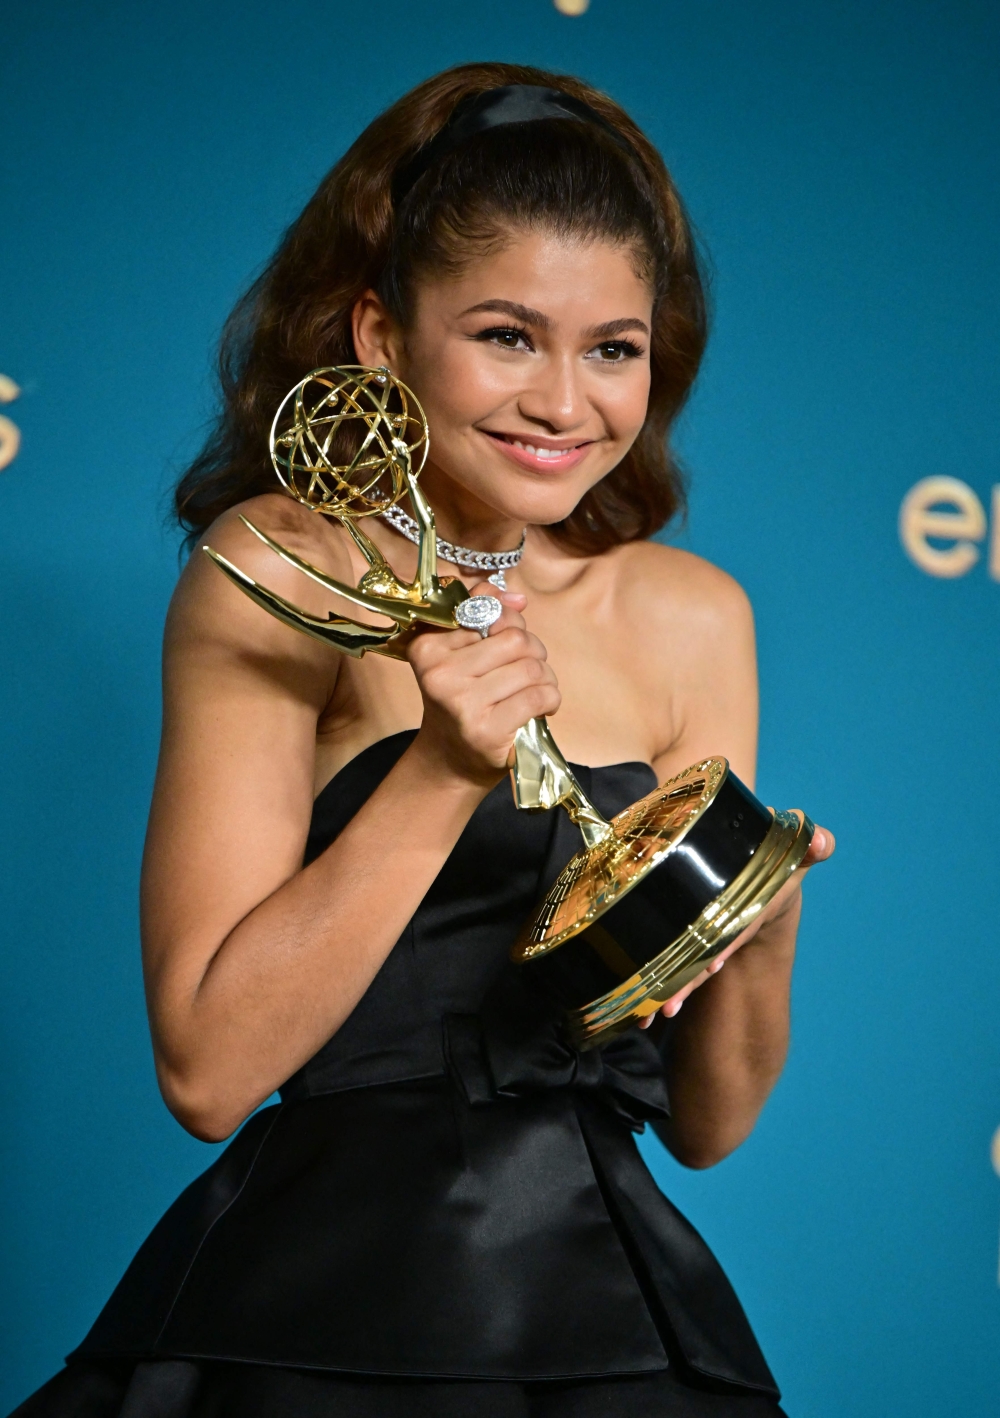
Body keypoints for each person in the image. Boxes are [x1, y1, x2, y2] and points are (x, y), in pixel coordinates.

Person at [12, 62, 834, 1418]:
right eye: (509, 335)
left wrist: (767, 911)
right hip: (331, 1306)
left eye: (612, 348)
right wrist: (448, 769)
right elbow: (207, 1071)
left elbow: (705, 1124)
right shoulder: (280, 565)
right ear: (382, 339)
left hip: (613, 1314)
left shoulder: (696, 617)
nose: (566, 403)